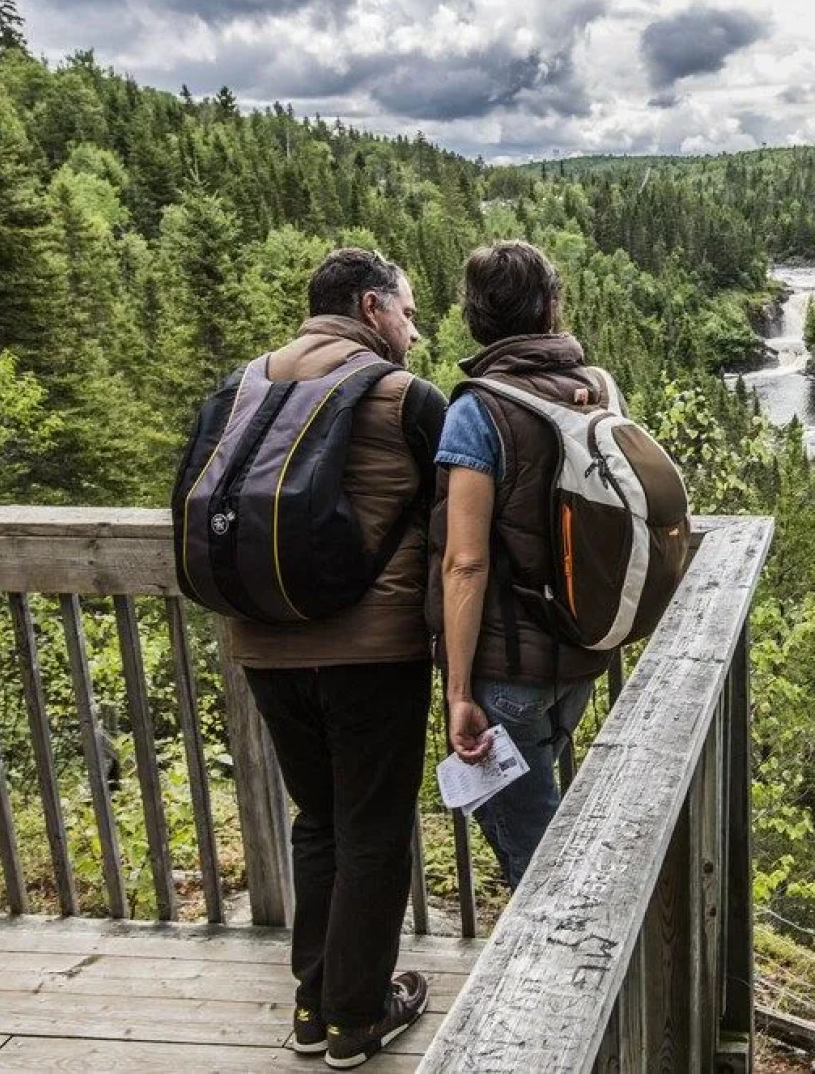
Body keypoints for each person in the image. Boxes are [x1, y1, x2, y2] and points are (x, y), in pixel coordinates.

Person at [227, 248, 445, 1069]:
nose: (414, 331)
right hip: (370, 648)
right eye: (408, 312)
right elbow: (460, 509)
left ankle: (313, 1006)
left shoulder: (249, 384)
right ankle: (358, 1015)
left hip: (264, 643)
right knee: (374, 826)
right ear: (369, 307)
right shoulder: (402, 398)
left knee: (318, 820)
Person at [435, 240, 615, 887]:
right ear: (548, 308)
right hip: (580, 653)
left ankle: (565, 974)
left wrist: (457, 694)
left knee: (537, 868)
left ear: (475, 317)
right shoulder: (591, 389)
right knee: (540, 830)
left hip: (508, 672)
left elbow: (464, 563)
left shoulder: (475, 413)